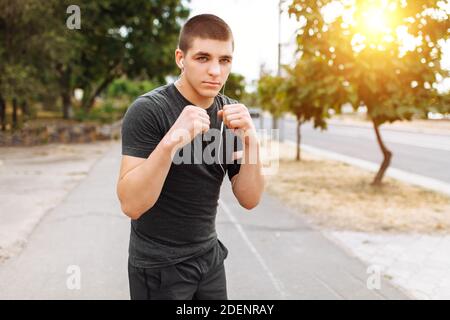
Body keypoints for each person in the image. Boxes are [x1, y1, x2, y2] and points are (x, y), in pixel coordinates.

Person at [117, 13, 265, 300]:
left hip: (208, 260)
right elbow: (131, 204)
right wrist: (172, 139)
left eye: (224, 60)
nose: (215, 71)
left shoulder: (231, 114)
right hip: (159, 267)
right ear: (180, 58)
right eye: (202, 58)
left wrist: (252, 142)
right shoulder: (149, 110)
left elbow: (250, 199)